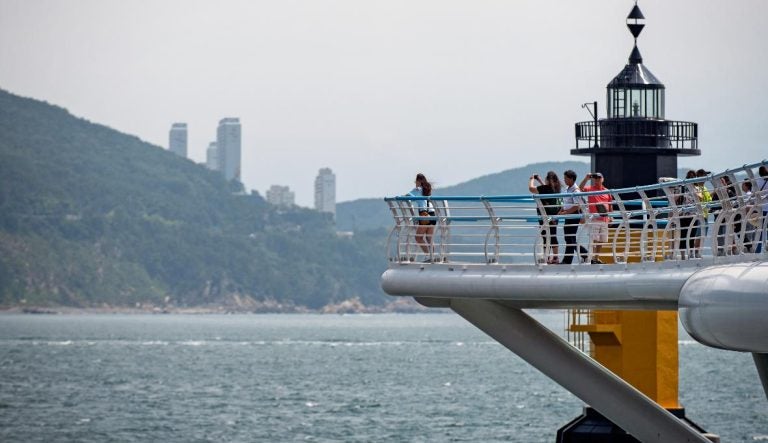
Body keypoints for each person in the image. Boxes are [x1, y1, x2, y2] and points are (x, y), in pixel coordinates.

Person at [529, 171, 562, 264]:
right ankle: (555, 257)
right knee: (553, 235)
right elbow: (545, 188)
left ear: (547, 179)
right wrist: (539, 180)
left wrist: (531, 179)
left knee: (545, 236)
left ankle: (546, 257)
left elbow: (531, 189)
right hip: (554, 216)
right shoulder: (556, 188)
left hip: (545, 217)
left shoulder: (545, 188)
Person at [579, 172, 611, 264]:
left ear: (602, 179)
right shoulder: (590, 189)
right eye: (596, 178)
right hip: (595, 218)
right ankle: (593, 258)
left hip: (604, 219)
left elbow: (610, 205)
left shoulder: (607, 191)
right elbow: (580, 189)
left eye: (599, 178)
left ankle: (596, 258)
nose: (597, 179)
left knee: (601, 240)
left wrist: (610, 217)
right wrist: (586, 178)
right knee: (595, 239)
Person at [558, 170, 588, 264]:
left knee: (569, 238)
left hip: (573, 216)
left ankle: (569, 260)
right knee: (569, 238)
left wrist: (566, 212)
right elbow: (567, 203)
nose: (564, 180)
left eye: (566, 178)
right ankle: (583, 254)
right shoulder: (568, 189)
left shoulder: (575, 190)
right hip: (569, 215)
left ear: (571, 179)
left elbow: (577, 205)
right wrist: (561, 211)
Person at [407, 173, 436, 261]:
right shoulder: (427, 189)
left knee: (418, 237)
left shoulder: (417, 189)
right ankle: (432, 256)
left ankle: (428, 255)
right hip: (432, 213)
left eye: (415, 181)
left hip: (424, 214)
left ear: (418, 181)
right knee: (429, 237)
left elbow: (408, 196)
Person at [677, 170, 701, 260]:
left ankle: (690, 253)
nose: (691, 178)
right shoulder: (682, 187)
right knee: (683, 234)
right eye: (690, 177)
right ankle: (683, 255)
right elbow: (678, 198)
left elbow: (700, 198)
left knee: (692, 235)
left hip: (693, 214)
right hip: (683, 214)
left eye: (693, 177)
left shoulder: (697, 188)